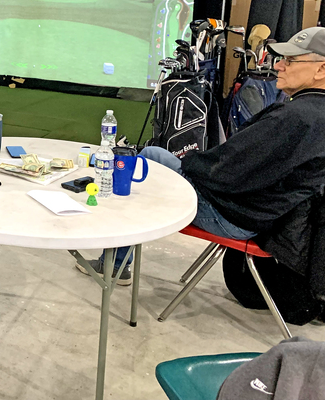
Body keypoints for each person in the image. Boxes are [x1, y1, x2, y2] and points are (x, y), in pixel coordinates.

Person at [76, 26, 325, 286]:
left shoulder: (296, 117)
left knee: (143, 162)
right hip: (260, 213)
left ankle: (113, 266)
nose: (280, 66)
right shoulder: (309, 112)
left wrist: (190, 165)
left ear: (321, 69)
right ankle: (116, 263)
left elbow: (227, 172)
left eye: (291, 61)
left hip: (235, 215)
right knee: (153, 156)